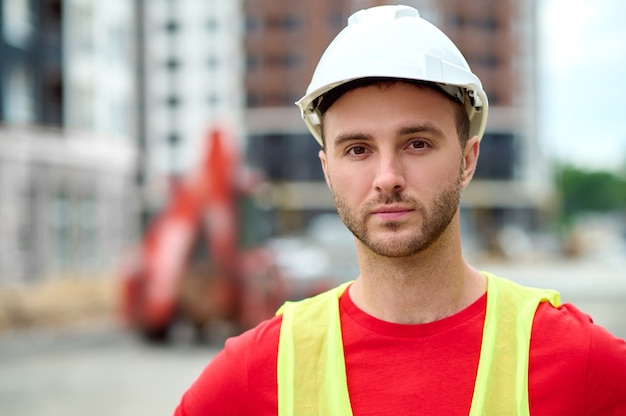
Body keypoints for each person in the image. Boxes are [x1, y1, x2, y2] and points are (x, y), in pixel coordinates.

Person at [174, 5, 626, 415]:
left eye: (417, 143)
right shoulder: (260, 369)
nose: (387, 175)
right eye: (357, 149)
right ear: (328, 170)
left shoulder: (576, 359)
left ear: (468, 160)